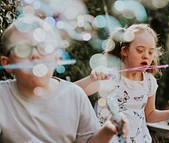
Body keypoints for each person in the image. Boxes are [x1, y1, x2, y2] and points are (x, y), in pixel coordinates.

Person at [0, 14, 128, 143]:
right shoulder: (2, 96)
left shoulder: (75, 95)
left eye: (44, 47)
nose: (35, 54)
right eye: (22, 49)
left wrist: (107, 131)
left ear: (57, 59)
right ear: (7, 63)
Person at [75, 24, 169, 143]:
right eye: (140, 50)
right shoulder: (110, 76)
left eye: (150, 52)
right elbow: (73, 92)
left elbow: (149, 114)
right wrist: (92, 78)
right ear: (125, 51)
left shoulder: (149, 81)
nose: (146, 56)